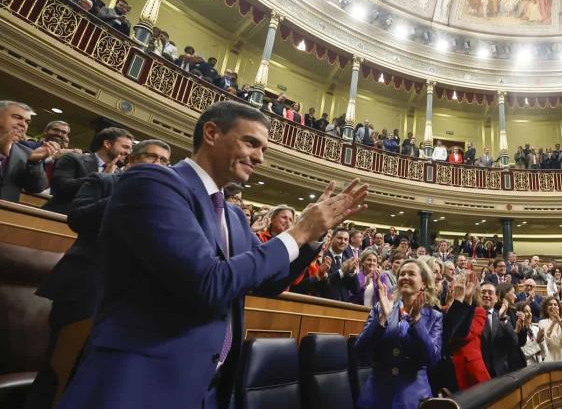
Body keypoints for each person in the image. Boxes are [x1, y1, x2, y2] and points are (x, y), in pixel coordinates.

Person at [57, 101, 368, 409]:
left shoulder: (232, 216)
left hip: (209, 386)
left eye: (264, 150)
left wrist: (311, 237)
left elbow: (267, 281)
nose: (259, 157)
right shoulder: (152, 183)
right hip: (139, 381)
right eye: (251, 143)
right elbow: (208, 282)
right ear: (211, 133)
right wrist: (298, 231)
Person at [29, 140, 171, 408]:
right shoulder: (104, 182)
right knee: (60, 366)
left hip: (127, 296)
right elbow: (78, 219)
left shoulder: (164, 201)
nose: (158, 164)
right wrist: (129, 192)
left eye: (164, 161)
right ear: (131, 161)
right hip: (84, 284)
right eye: (151, 157)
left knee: (99, 373)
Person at [355, 259, 442, 409]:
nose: (405, 277)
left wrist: (416, 321)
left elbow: (432, 359)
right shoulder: (381, 307)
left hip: (413, 397)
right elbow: (360, 350)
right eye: (402, 274)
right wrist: (382, 317)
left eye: (411, 274)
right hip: (376, 394)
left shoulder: (434, 317)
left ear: (423, 283)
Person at [43, 126, 134, 214]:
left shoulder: (120, 174)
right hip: (57, 217)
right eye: (125, 147)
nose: (128, 152)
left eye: (130, 149)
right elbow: (60, 186)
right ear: (107, 144)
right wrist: (101, 177)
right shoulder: (73, 159)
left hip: (91, 225)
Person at [0, 101, 52, 202]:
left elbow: (36, 188)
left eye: (27, 122)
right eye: (17, 117)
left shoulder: (26, 152)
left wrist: (35, 163)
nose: (23, 124)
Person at [479, 283, 517, 377]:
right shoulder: (471, 316)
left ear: (496, 298)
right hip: (478, 371)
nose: (486, 295)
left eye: (490, 293)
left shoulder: (502, 316)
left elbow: (514, 341)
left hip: (500, 373)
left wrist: (503, 319)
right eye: (483, 292)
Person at [536, 297, 562, 362]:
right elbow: (545, 340)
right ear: (546, 309)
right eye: (550, 304)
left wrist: (559, 320)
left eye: (555, 304)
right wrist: (553, 323)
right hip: (551, 358)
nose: (553, 306)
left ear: (559, 308)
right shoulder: (542, 322)